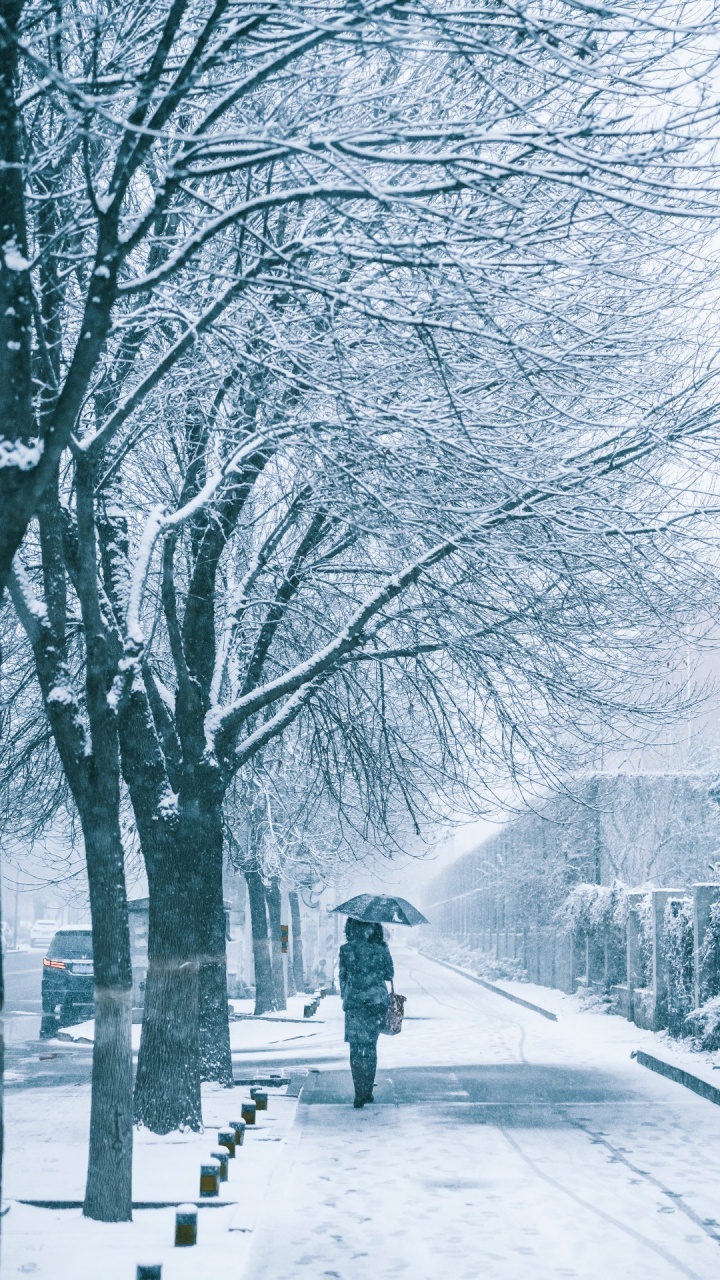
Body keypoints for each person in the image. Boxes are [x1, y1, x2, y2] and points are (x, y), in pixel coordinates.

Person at [338, 918, 394, 1107]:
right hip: (376, 1003)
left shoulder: (346, 950)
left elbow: (343, 977)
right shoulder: (380, 949)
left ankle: (358, 1092)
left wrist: (348, 993)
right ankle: (367, 1091)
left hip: (354, 1004)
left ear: (351, 928)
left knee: (355, 1048)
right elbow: (389, 974)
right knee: (370, 1047)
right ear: (374, 928)